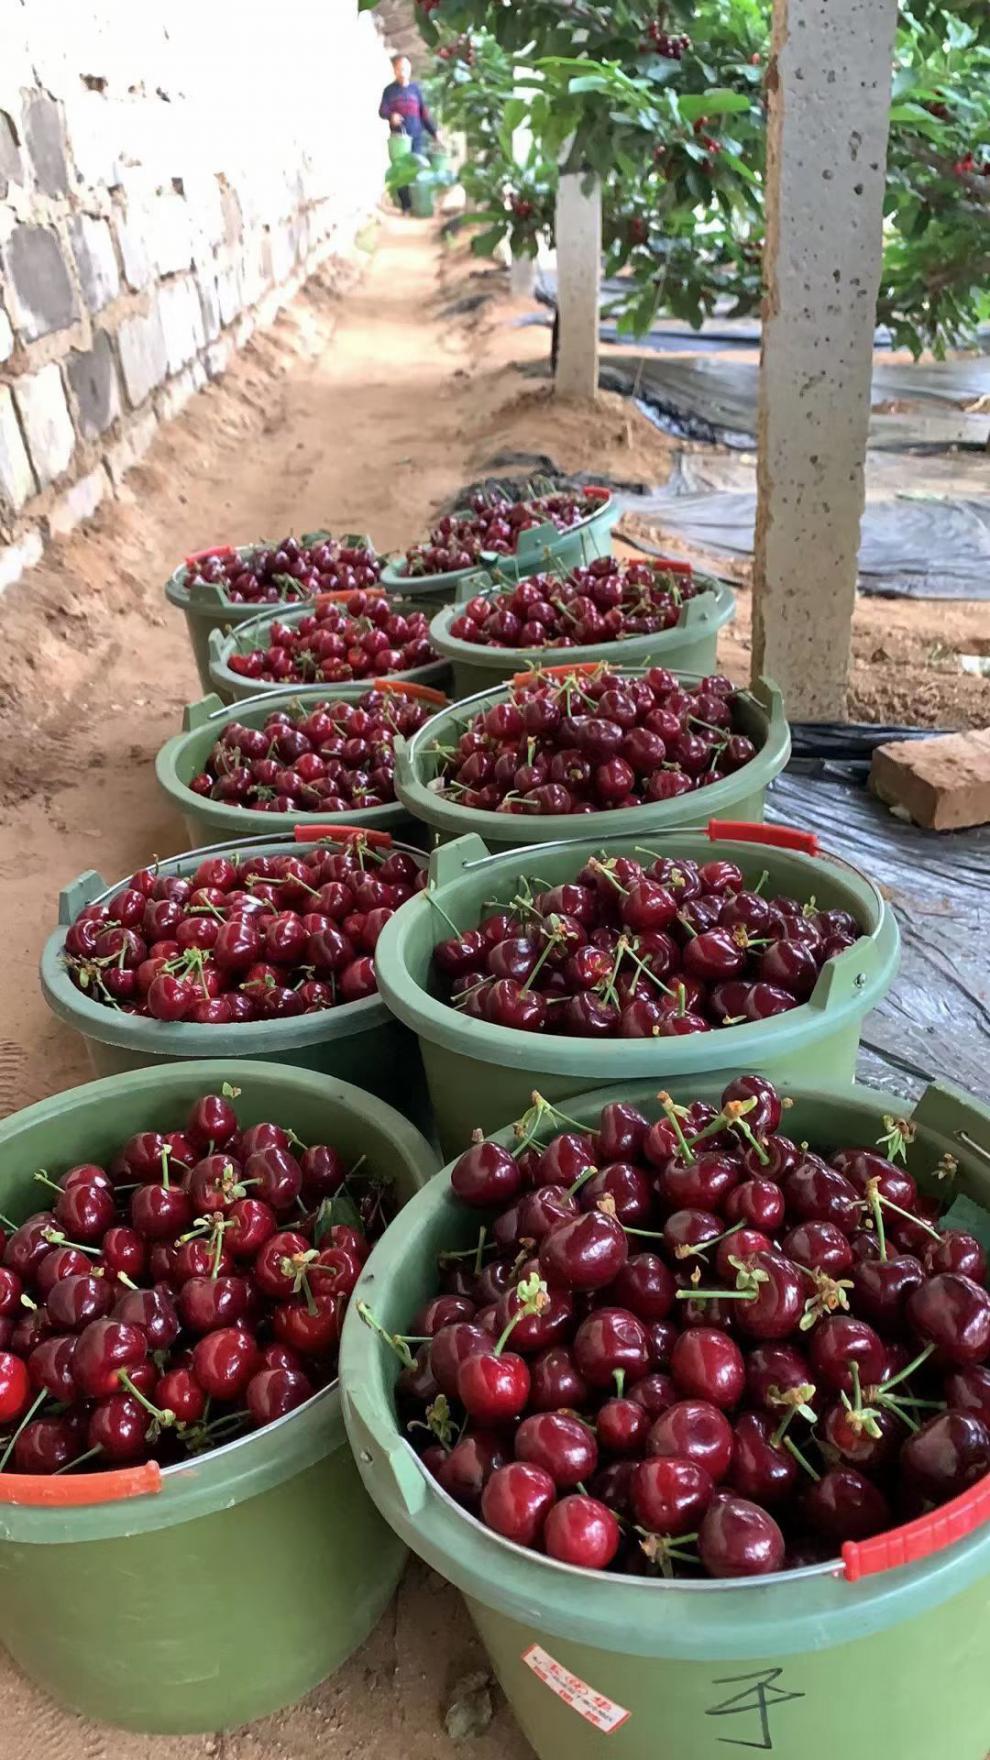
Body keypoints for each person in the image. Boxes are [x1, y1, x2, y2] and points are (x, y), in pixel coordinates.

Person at [380, 54, 438, 213]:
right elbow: (382, 111)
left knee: (417, 169)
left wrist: (435, 133)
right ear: (394, 71)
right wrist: (391, 116)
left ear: (410, 70)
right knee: (401, 172)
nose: (402, 71)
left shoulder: (415, 90)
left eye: (405, 68)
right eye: (399, 68)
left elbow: (423, 114)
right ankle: (406, 206)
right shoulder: (389, 91)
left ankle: (418, 204)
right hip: (399, 140)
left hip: (417, 137)